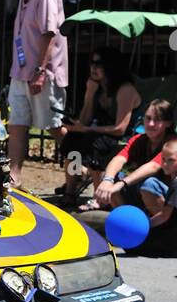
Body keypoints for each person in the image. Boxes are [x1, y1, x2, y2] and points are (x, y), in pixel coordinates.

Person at [5, 0, 68, 187]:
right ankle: (14, 177)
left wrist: (40, 71)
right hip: (20, 72)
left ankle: (83, 166)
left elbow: (49, 33)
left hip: (42, 74)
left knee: (53, 127)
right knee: (17, 124)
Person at [57, 46, 141, 205]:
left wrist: (87, 129)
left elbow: (120, 129)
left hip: (121, 136)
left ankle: (99, 198)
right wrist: (89, 94)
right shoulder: (97, 87)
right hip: (98, 131)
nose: (93, 68)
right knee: (72, 142)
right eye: (91, 63)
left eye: (99, 64)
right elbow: (85, 120)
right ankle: (71, 189)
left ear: (111, 66)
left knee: (94, 144)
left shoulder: (125, 89)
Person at [92, 99, 177, 210]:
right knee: (107, 176)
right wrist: (108, 180)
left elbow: (153, 166)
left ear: (168, 123)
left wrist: (121, 184)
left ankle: (162, 225)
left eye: (157, 120)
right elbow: (119, 159)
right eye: (148, 118)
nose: (151, 124)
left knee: (149, 185)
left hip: (172, 198)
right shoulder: (139, 139)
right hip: (145, 190)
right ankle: (126, 219)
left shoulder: (174, 144)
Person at [135, 139, 177, 257]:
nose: (165, 164)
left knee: (133, 246)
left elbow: (164, 216)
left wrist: (143, 226)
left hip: (174, 244)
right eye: (163, 159)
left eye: (171, 160)